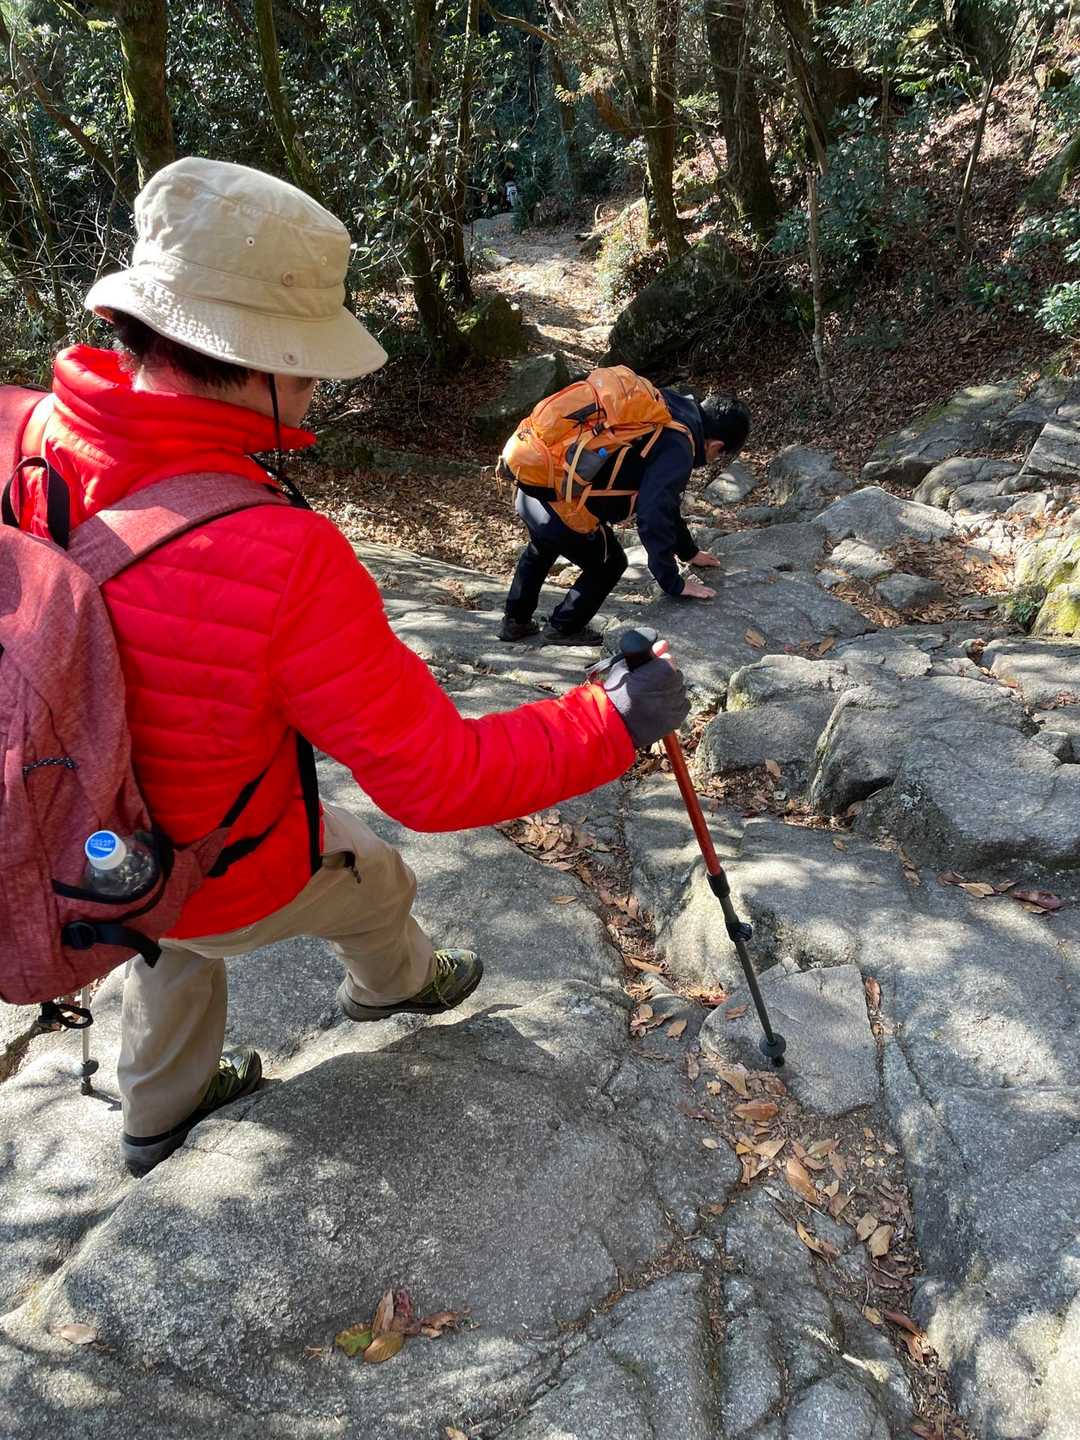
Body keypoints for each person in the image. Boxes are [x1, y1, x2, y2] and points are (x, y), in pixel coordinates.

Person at [13, 158, 689, 1174]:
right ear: (253, 360)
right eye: (306, 360)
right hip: (211, 865)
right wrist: (613, 716)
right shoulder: (281, 555)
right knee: (370, 873)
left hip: (83, 837)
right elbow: (437, 778)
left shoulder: (26, 432)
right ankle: (395, 986)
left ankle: (159, 1115)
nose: (318, 384)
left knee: (164, 917)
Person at [499, 384, 751, 646]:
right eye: (717, 455)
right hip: (559, 505)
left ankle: (515, 622)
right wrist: (673, 582)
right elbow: (653, 514)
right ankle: (563, 628)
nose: (712, 459)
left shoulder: (663, 405)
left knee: (543, 545)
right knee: (610, 563)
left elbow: (666, 504)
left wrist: (688, 552)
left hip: (534, 480)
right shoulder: (679, 446)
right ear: (716, 445)